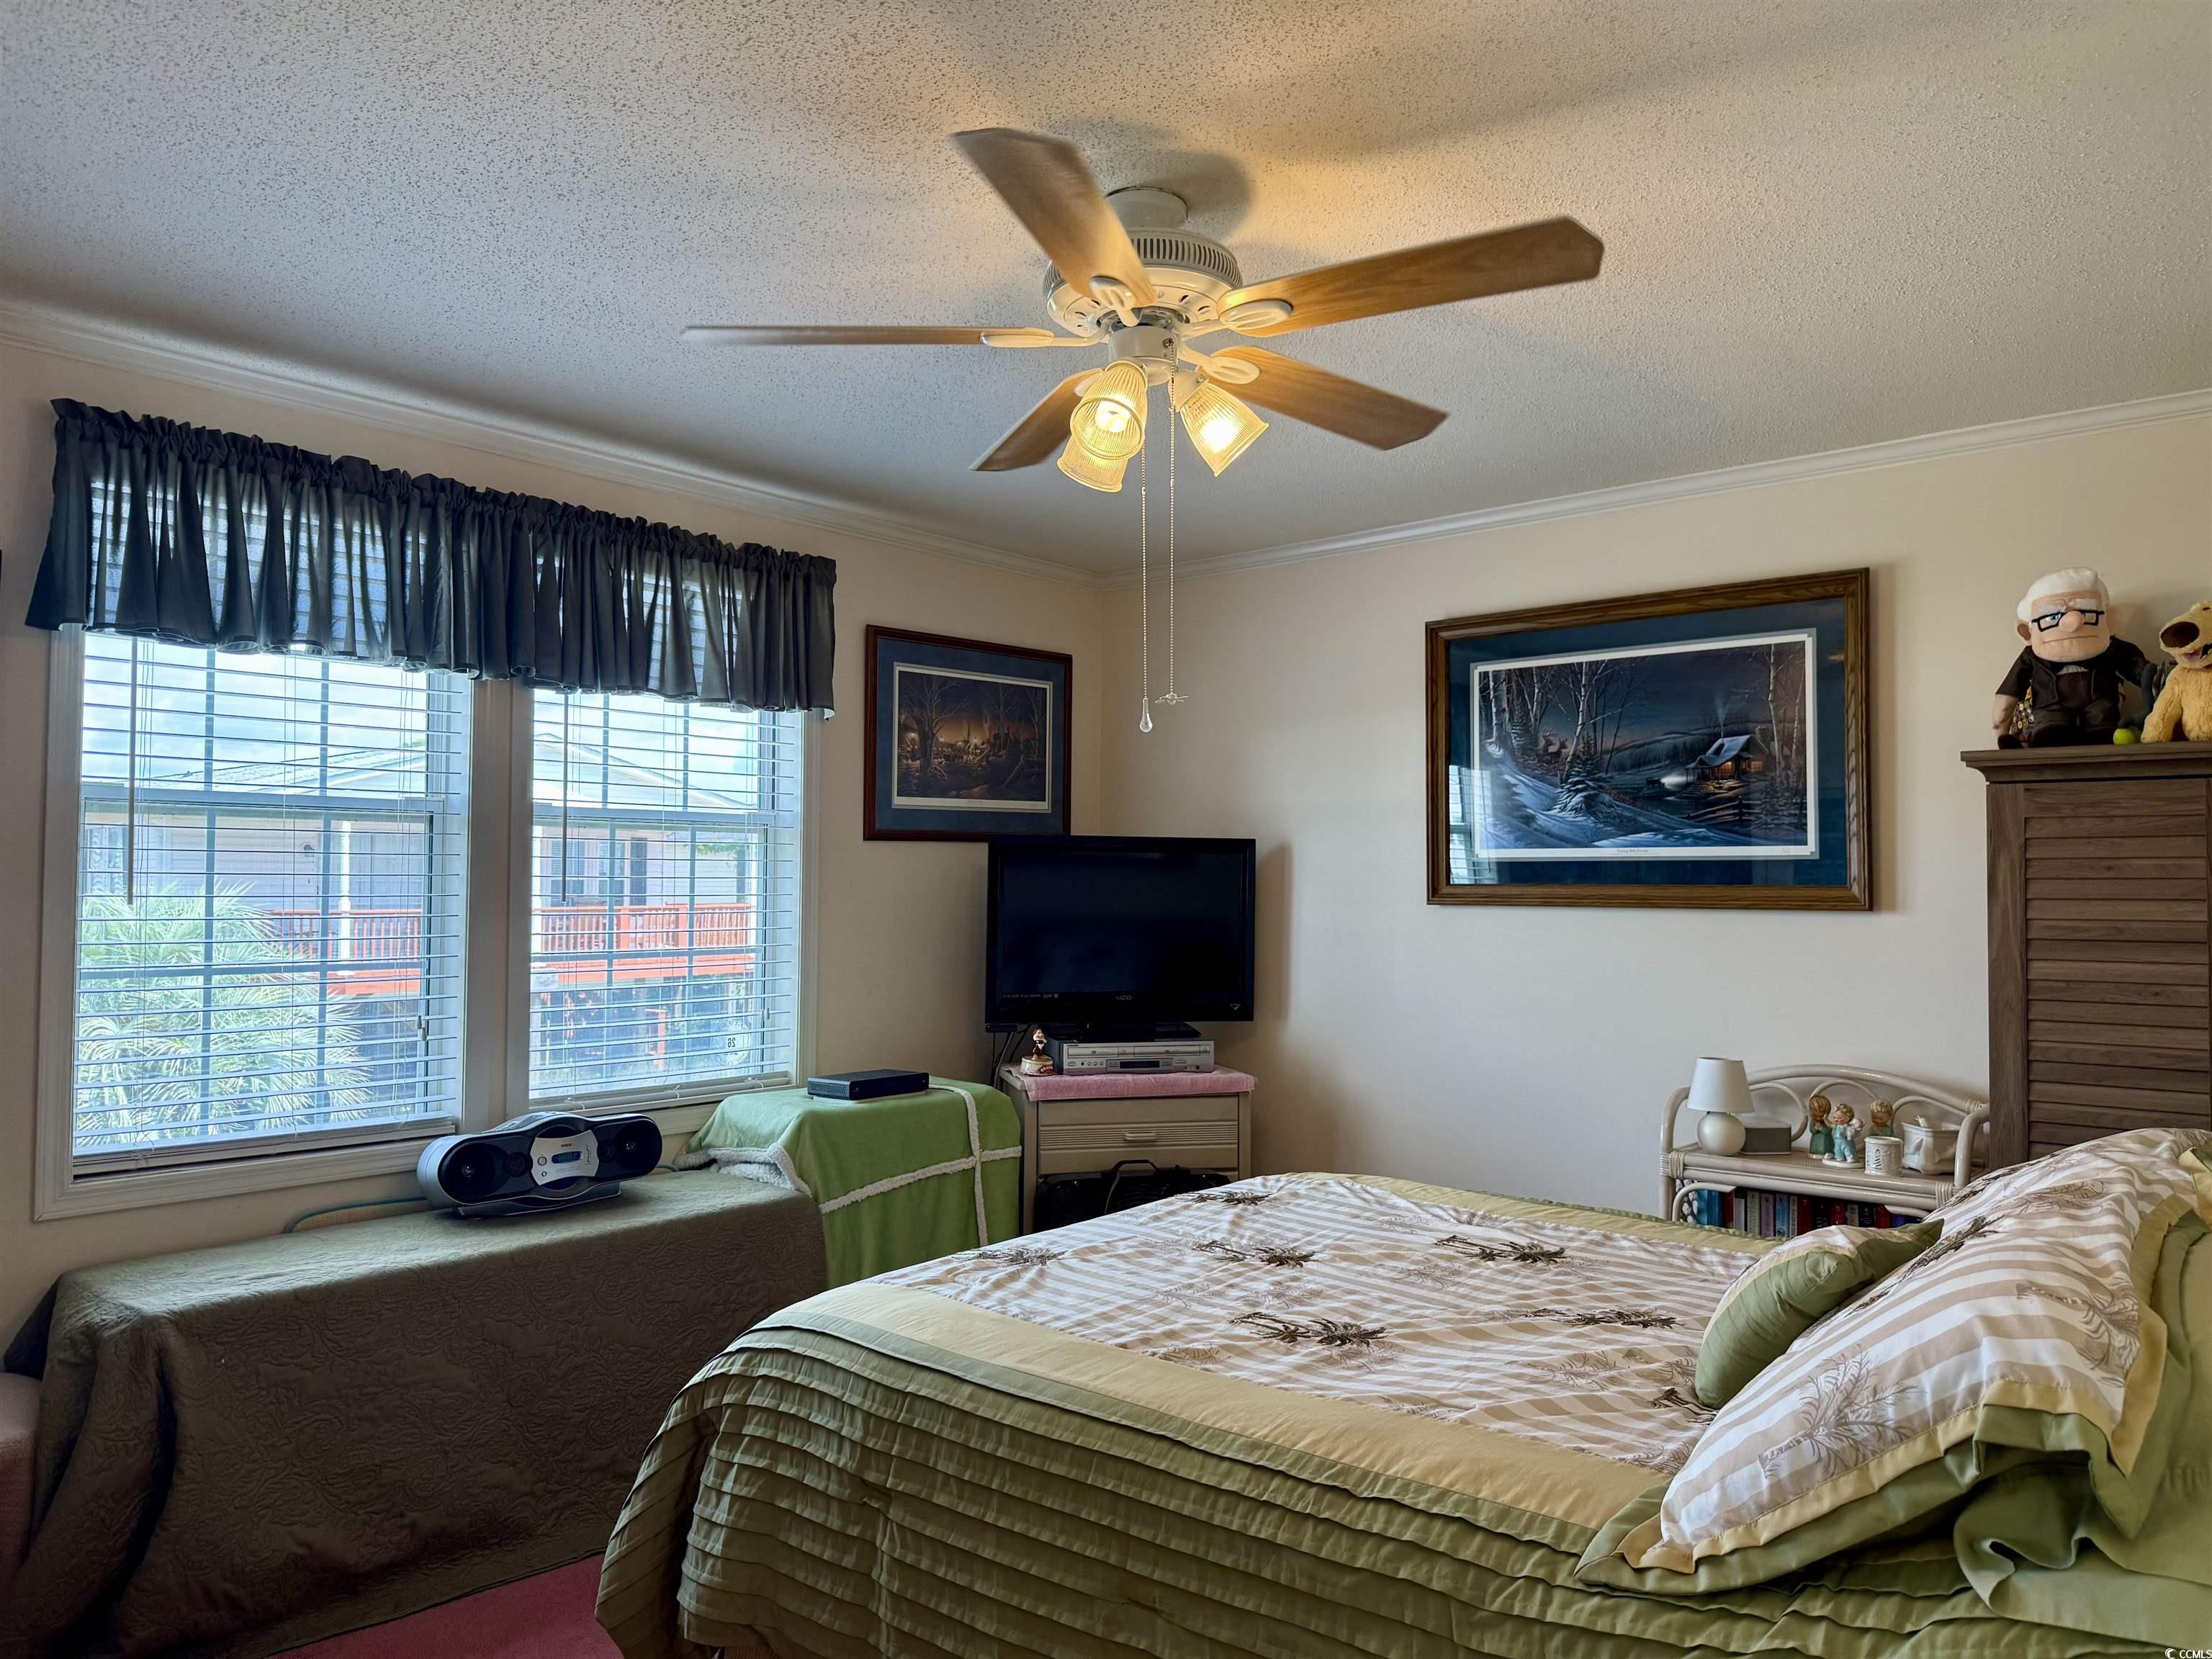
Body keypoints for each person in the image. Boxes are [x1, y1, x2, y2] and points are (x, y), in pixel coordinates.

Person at [1992, 569, 2154, 747]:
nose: (2072, 623)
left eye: (2085, 614)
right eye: (2052, 617)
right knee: (2051, 733)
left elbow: (2142, 671)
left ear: (2111, 621)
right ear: (2026, 631)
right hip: (2052, 713)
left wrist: (2162, 683)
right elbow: (2009, 694)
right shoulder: (2031, 656)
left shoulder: (2111, 648)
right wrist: (2001, 729)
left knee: (2102, 730)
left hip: (2101, 713)